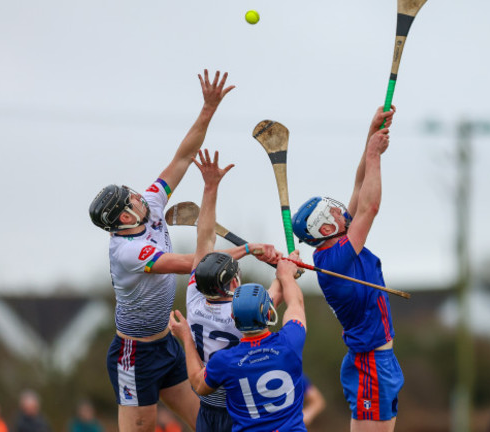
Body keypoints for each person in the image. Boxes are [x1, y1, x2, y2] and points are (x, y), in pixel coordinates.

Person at [87, 70, 236, 432]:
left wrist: (208, 108)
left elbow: (183, 157)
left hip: (167, 343)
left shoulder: (151, 205)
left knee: (209, 423)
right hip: (134, 355)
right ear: (123, 216)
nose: (141, 194)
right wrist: (244, 252)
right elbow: (197, 265)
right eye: (131, 199)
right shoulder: (128, 251)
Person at [291, 105, 401, 432]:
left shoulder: (338, 242)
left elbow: (359, 184)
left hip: (378, 359)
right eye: (332, 214)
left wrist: (372, 133)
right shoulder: (334, 258)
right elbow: (371, 206)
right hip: (371, 363)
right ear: (324, 229)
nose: (341, 212)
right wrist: (375, 154)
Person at [184, 149, 281, 431]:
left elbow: (204, 237)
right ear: (234, 283)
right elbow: (278, 291)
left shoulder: (194, 297)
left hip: (207, 408)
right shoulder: (243, 312)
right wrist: (287, 271)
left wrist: (210, 187)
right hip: (240, 407)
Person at [170, 249, 307, 432]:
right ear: (268, 313)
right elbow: (295, 303)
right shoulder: (290, 341)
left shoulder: (225, 361)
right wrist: (286, 274)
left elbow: (198, 384)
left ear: (233, 317)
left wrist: (186, 337)